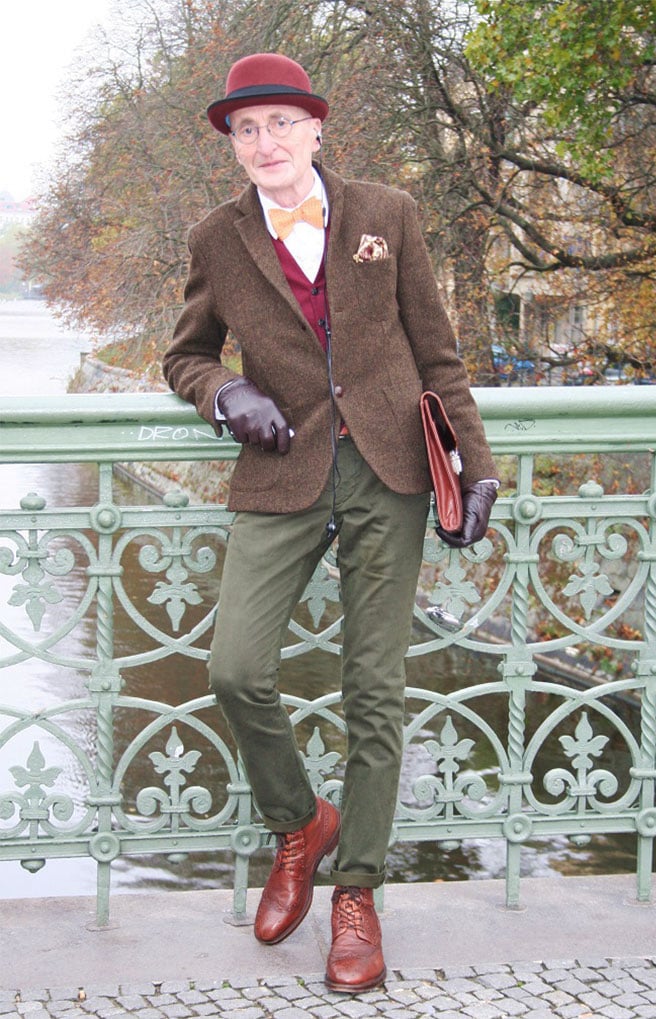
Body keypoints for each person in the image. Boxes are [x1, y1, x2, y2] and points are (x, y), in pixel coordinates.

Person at [163, 52, 498, 993]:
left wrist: (478, 464)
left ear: (316, 129)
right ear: (233, 147)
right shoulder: (216, 239)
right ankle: (299, 820)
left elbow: (437, 348)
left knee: (373, 688)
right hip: (281, 468)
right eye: (246, 130)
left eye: (280, 124)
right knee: (235, 665)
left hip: (390, 465)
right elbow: (183, 354)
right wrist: (225, 390)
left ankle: (357, 892)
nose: (265, 143)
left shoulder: (386, 213)